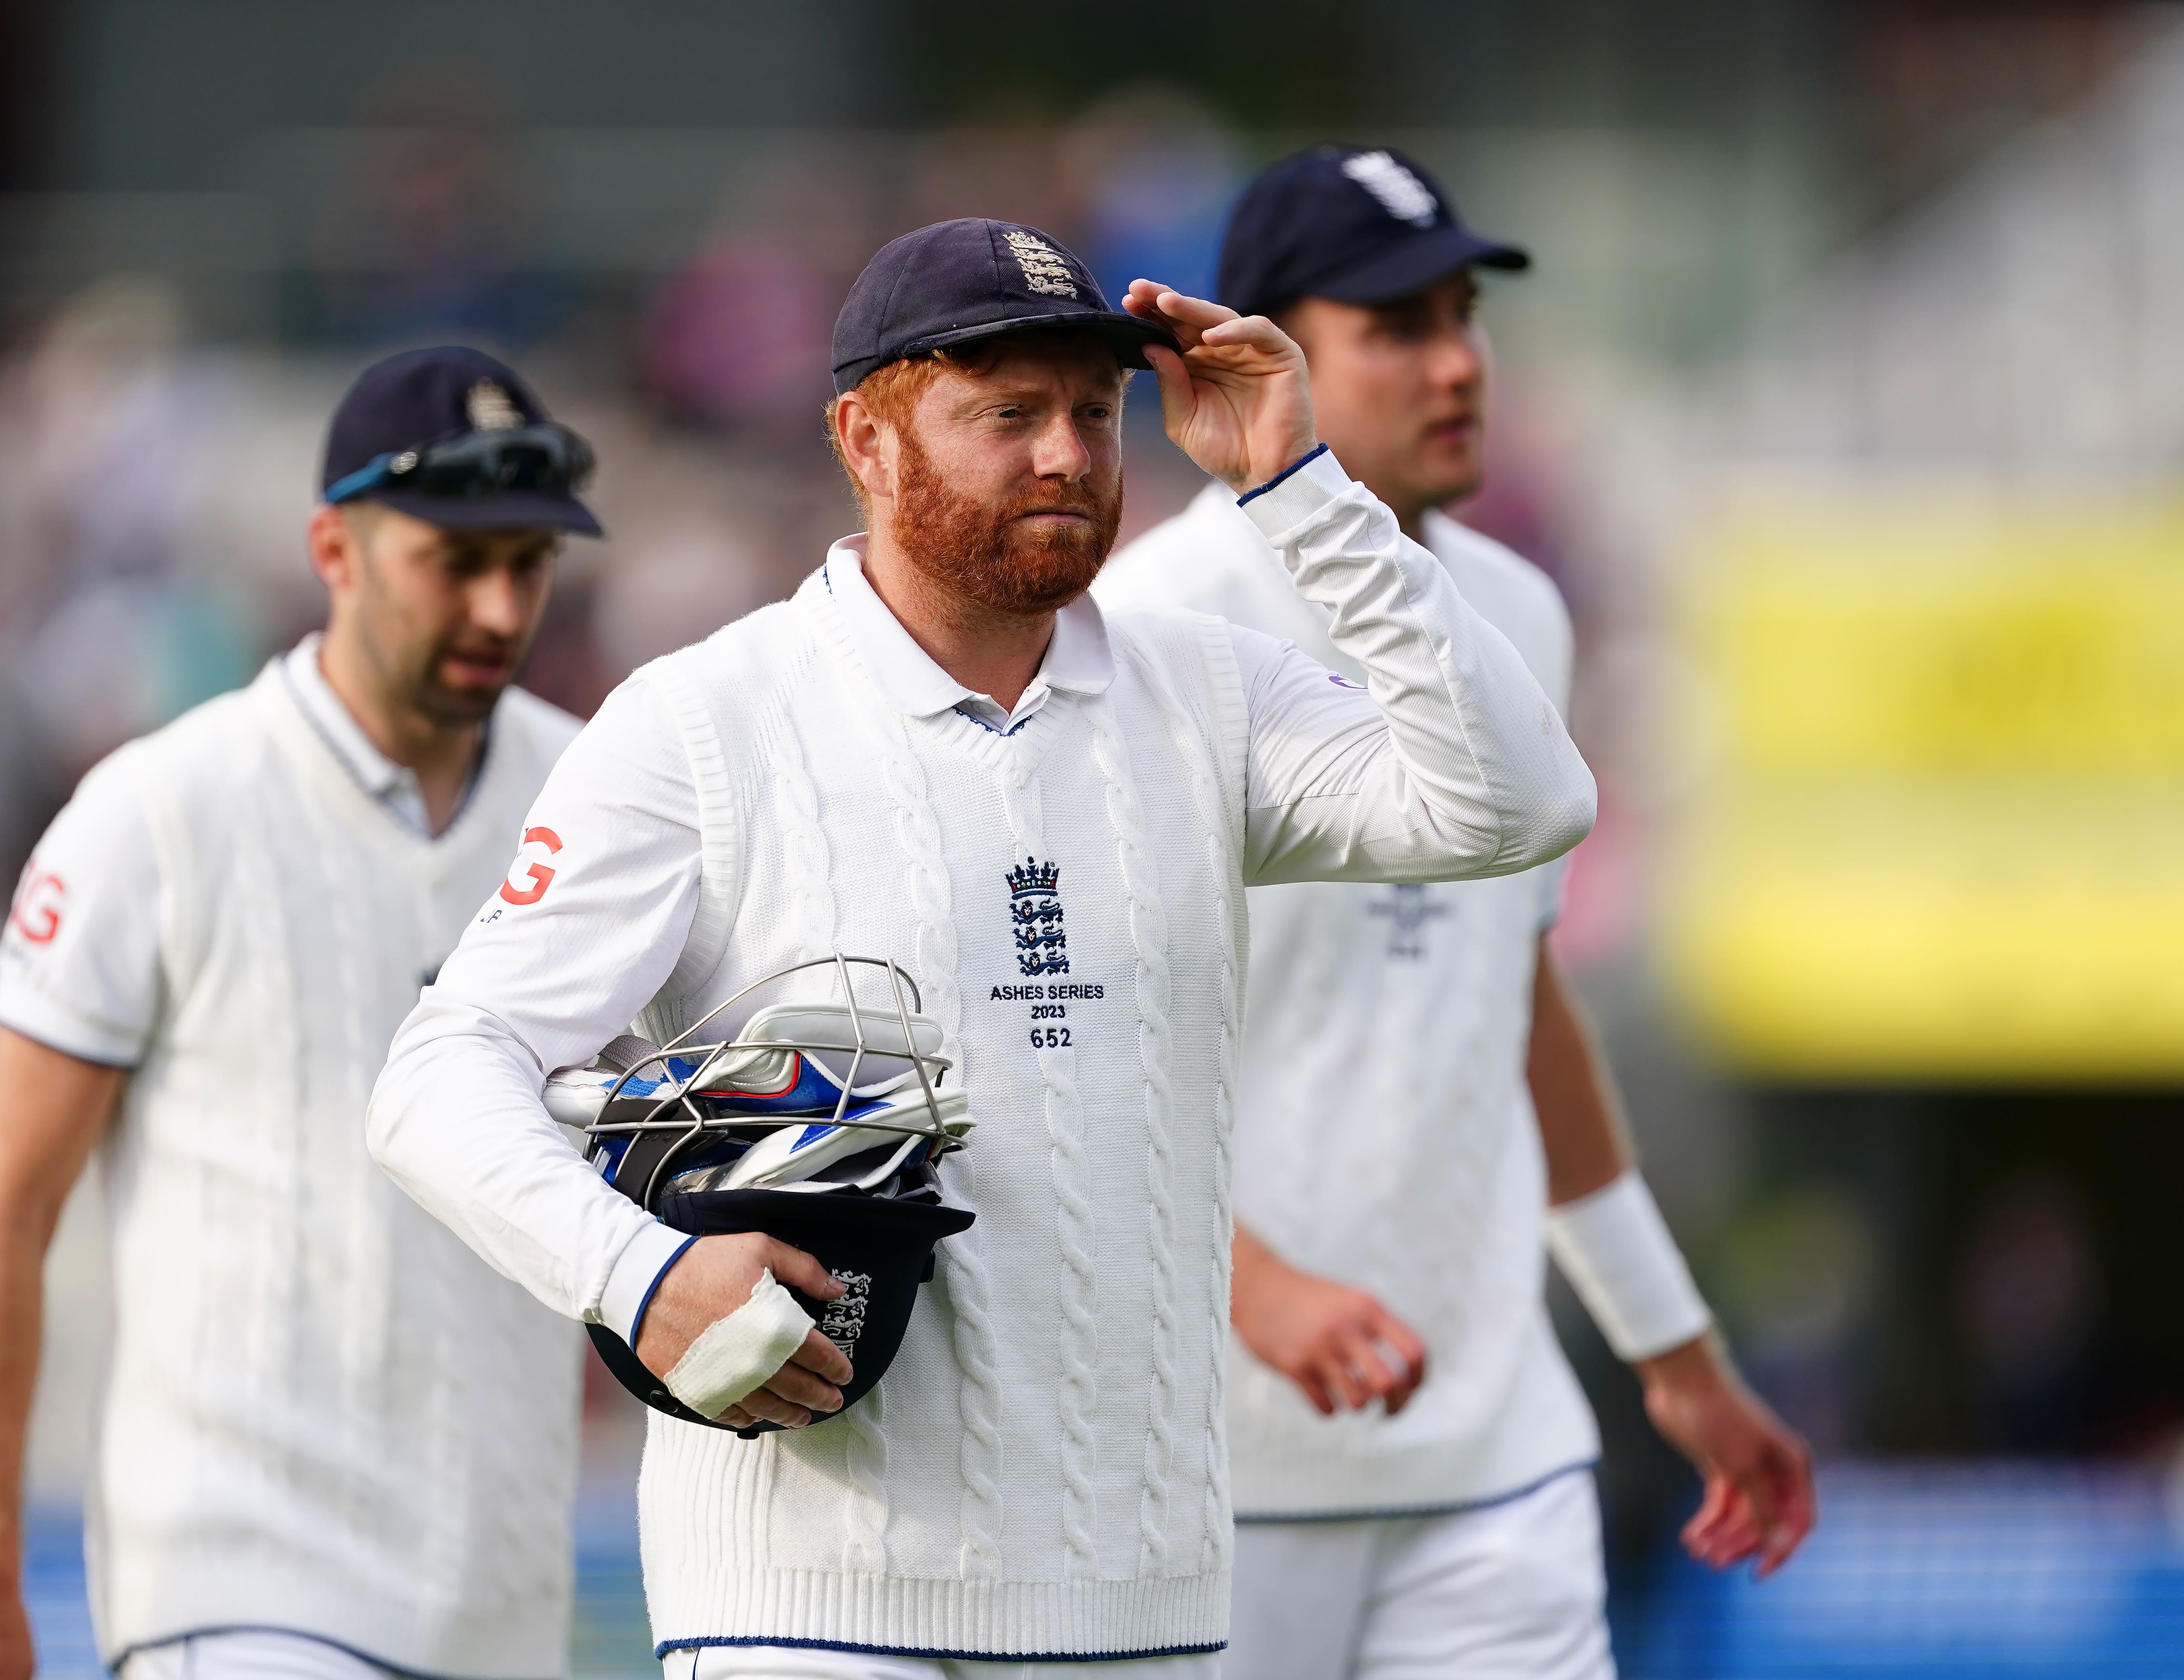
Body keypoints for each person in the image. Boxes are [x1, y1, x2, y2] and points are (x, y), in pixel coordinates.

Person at [366, 218, 1598, 1678]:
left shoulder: (1212, 692)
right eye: (1006, 415)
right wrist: (639, 1274)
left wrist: (1301, 490)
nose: (1067, 454)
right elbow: (439, 1077)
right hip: (801, 1602)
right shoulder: (702, 719)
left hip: (1141, 1603)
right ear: (865, 441)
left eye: (1092, 408)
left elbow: (1522, 802)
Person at [1097, 147, 1815, 1680]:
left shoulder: (1524, 610)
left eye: (1462, 315)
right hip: (1207, 1474)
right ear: (1256, 352)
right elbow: (1060, 1042)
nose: (1455, 363)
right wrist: (1253, 1285)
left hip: (1497, 1463)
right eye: (1393, 325)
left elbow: (1515, 992)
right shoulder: (1153, 626)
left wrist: (1669, 1348)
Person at [0, 348, 601, 1680]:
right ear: (331, 548)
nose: (501, 605)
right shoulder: (160, 811)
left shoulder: (597, 798)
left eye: (530, 562)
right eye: (454, 561)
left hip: (507, 1612)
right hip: (238, 1592)